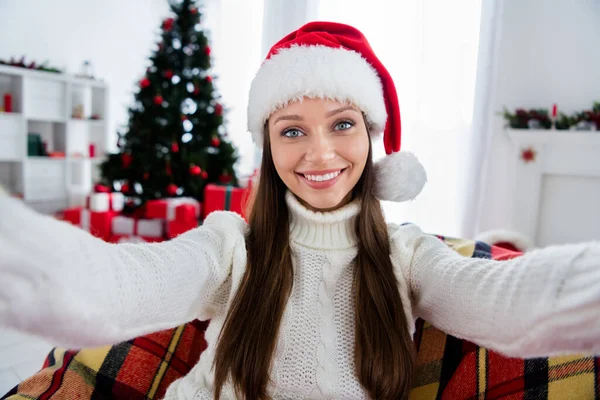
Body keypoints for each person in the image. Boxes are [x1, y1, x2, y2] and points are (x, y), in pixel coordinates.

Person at [0, 21, 599, 400]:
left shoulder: (407, 256)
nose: (319, 152)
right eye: (291, 131)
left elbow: (513, 302)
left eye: (343, 124)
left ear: (372, 138)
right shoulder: (231, 244)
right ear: (268, 145)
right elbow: (115, 288)